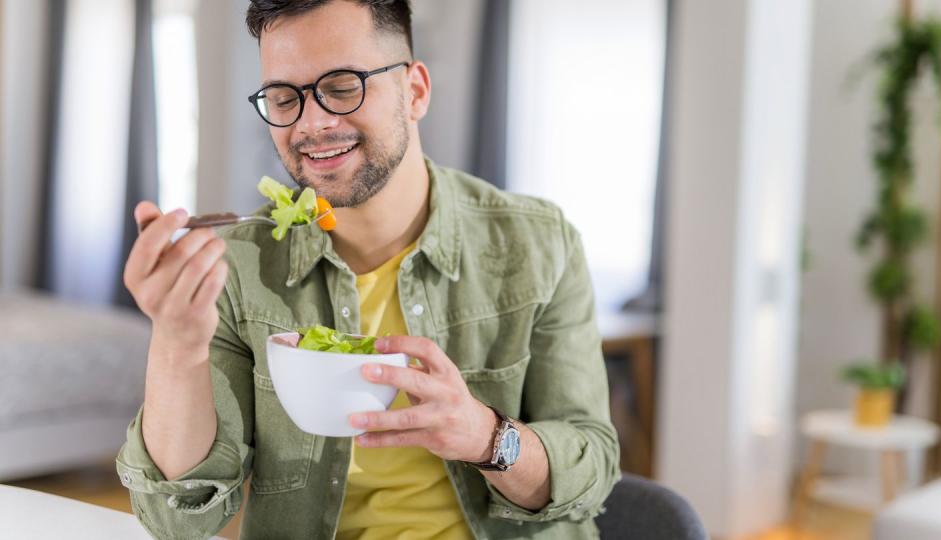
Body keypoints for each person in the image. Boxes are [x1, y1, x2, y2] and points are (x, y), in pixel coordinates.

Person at [116, 1, 619, 538]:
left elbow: (593, 469)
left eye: (342, 86)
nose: (312, 124)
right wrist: (176, 343)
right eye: (285, 97)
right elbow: (177, 519)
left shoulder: (539, 243)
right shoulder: (237, 266)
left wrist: (486, 437)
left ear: (415, 91)